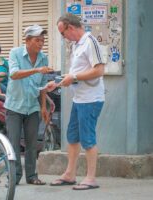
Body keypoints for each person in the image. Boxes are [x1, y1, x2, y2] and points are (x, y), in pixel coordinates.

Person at [50, 13, 105, 190]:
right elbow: (77, 73)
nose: (63, 37)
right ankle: (70, 174)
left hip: (91, 99)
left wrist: (73, 76)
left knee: (87, 138)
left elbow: (99, 71)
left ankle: (90, 178)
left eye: (62, 33)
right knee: (72, 137)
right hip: (79, 98)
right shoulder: (76, 45)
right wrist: (58, 81)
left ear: (70, 28)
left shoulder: (90, 42)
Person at [4, 24, 57, 185]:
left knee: (32, 144)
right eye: (37, 40)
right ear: (27, 40)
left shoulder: (43, 57)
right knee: (13, 144)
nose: (41, 44)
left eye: (42, 40)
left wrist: (43, 107)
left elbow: (41, 86)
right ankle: (14, 177)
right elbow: (13, 74)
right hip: (14, 106)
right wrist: (37, 70)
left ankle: (32, 176)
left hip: (33, 107)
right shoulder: (15, 53)